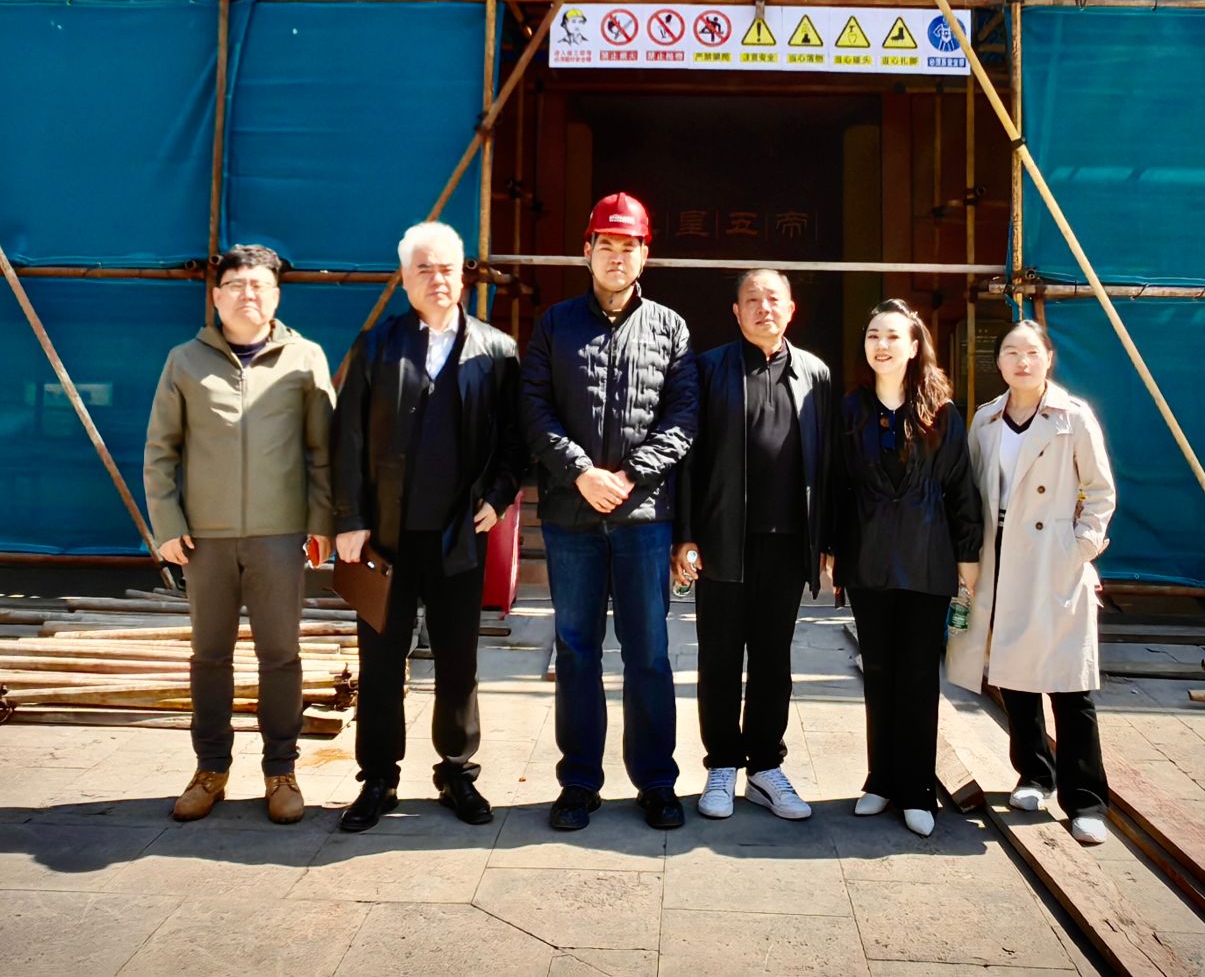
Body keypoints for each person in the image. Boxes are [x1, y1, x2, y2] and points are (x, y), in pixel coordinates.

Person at [331, 221, 525, 832]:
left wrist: (499, 495)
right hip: (385, 538)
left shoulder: (497, 350)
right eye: (424, 269)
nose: (437, 279)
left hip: (459, 535)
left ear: (463, 274)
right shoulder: (377, 346)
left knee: (458, 658)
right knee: (380, 662)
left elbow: (515, 439)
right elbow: (347, 436)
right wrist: (349, 518)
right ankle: (378, 778)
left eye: (447, 268)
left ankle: (457, 771)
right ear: (405, 278)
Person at [523, 191, 699, 832]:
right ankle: (578, 782)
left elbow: (684, 418)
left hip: (643, 519)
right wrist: (581, 471)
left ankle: (656, 781)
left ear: (645, 256)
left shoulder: (670, 328)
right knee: (576, 650)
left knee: (648, 651)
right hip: (571, 518)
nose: (617, 257)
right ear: (587, 251)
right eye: (607, 245)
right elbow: (534, 408)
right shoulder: (555, 323)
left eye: (629, 247)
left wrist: (628, 475)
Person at [142, 243, 335, 825]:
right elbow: (160, 450)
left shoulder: (305, 359)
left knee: (281, 656)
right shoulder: (184, 361)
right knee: (209, 656)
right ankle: (210, 770)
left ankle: (282, 771)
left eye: (259, 285)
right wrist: (168, 524)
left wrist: (322, 524)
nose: (248, 294)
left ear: (276, 296)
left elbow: (323, 453)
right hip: (207, 540)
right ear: (216, 296)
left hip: (281, 536)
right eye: (236, 285)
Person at [946, 320, 1118, 847]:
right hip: (999, 556)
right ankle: (1034, 775)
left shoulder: (1072, 417)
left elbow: (1100, 491)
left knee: (1070, 684)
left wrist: (1079, 547)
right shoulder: (985, 419)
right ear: (998, 362)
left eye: (1031, 352)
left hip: (1052, 559)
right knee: (1013, 674)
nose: (1022, 362)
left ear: (1048, 359)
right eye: (1011, 352)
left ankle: (1086, 800)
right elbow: (970, 492)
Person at [674, 268, 835, 822]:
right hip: (723, 539)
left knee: (773, 657)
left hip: (788, 543)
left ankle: (766, 766)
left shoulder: (814, 373)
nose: (764, 308)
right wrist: (685, 535)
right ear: (735, 312)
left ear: (791, 310)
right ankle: (722, 763)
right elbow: (687, 459)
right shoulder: (708, 369)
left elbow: (827, 464)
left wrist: (826, 540)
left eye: (773, 299)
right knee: (719, 656)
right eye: (752, 300)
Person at [820, 299, 981, 838]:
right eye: (873, 336)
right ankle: (881, 779)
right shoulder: (851, 410)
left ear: (914, 346)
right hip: (867, 556)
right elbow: (836, 484)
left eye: (892, 336)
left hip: (926, 556)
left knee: (917, 674)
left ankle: (916, 789)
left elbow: (961, 488)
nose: (881, 345)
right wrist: (830, 547)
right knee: (879, 671)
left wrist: (968, 554)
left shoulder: (942, 412)